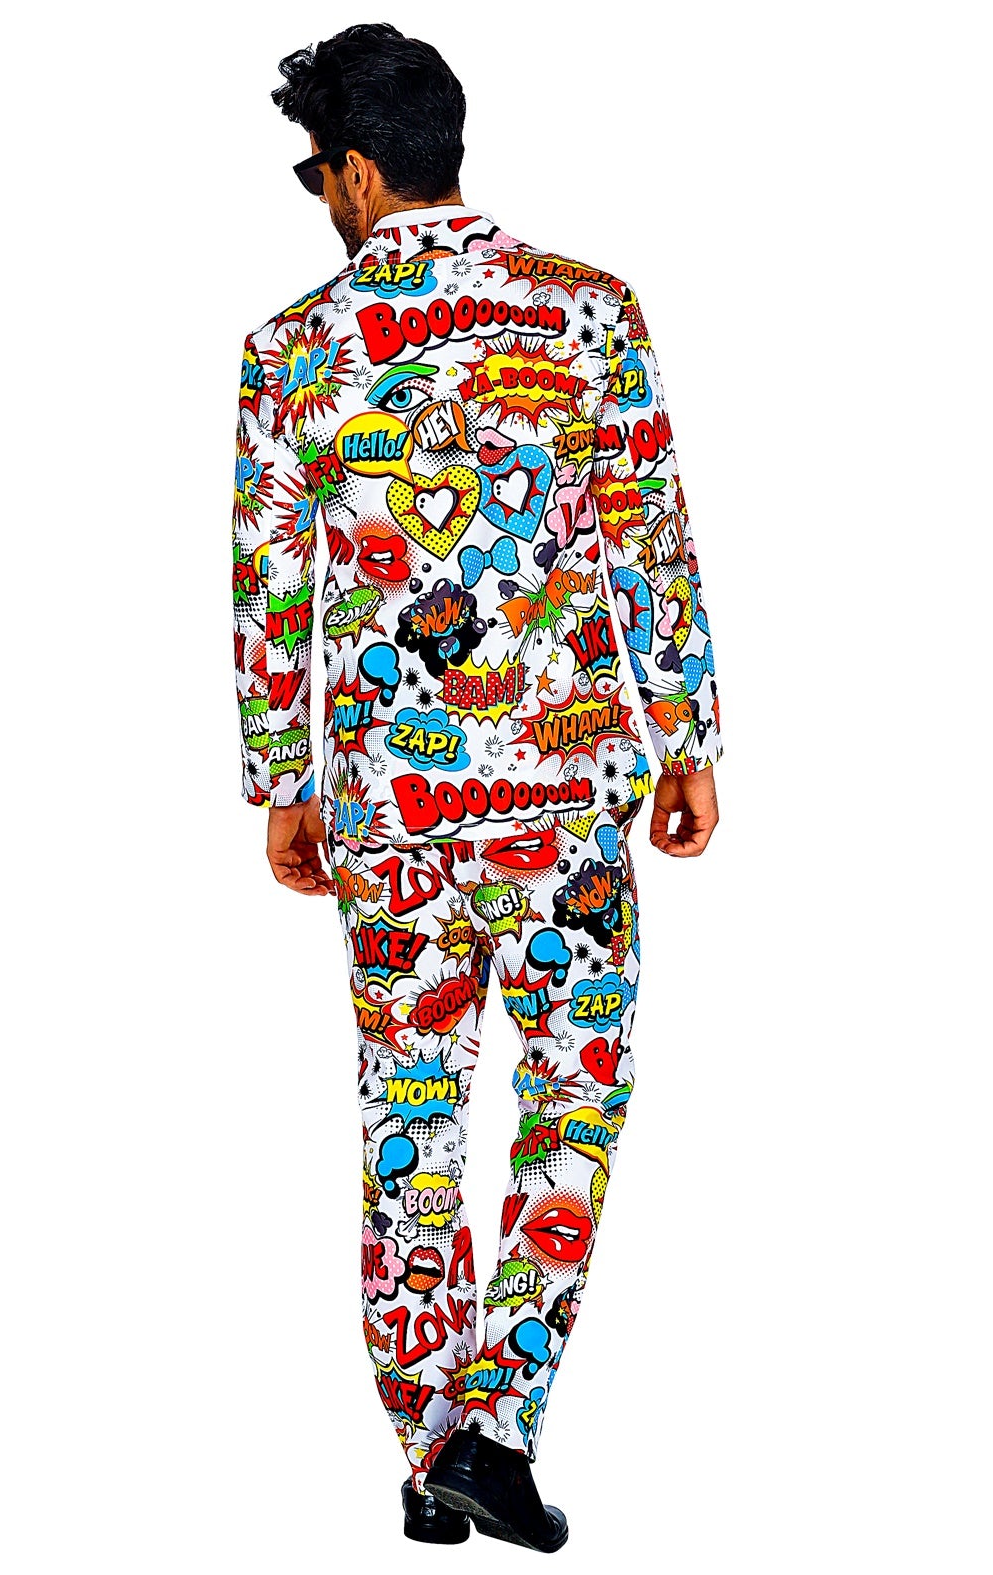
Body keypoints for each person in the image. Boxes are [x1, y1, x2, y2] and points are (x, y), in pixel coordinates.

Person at [232, 23, 721, 1553]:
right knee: (573, 1095)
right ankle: (493, 1430)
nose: (320, 198)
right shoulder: (588, 312)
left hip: (385, 812)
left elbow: (271, 588)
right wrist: (687, 733)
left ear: (357, 171)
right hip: (562, 802)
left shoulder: (288, 351)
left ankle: (425, 1448)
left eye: (316, 173)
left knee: (410, 1115)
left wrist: (281, 780)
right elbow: (646, 531)